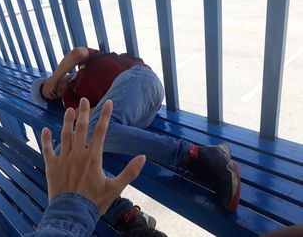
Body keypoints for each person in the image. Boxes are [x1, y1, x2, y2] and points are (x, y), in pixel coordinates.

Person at [31, 47, 241, 212]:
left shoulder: (84, 63)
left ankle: (197, 156)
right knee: (62, 156)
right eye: (49, 95)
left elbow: (78, 52)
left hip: (140, 80)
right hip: (136, 115)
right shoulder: (71, 100)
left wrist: (52, 78)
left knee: (91, 132)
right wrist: (71, 105)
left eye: (48, 87)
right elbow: (92, 119)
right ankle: (120, 214)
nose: (51, 91)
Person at [25, 98, 167, 236]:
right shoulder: (69, 94)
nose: (49, 93)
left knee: (72, 152)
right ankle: (183, 153)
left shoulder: (71, 87)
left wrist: (67, 207)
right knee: (86, 139)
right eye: (44, 94)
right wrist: (68, 207)